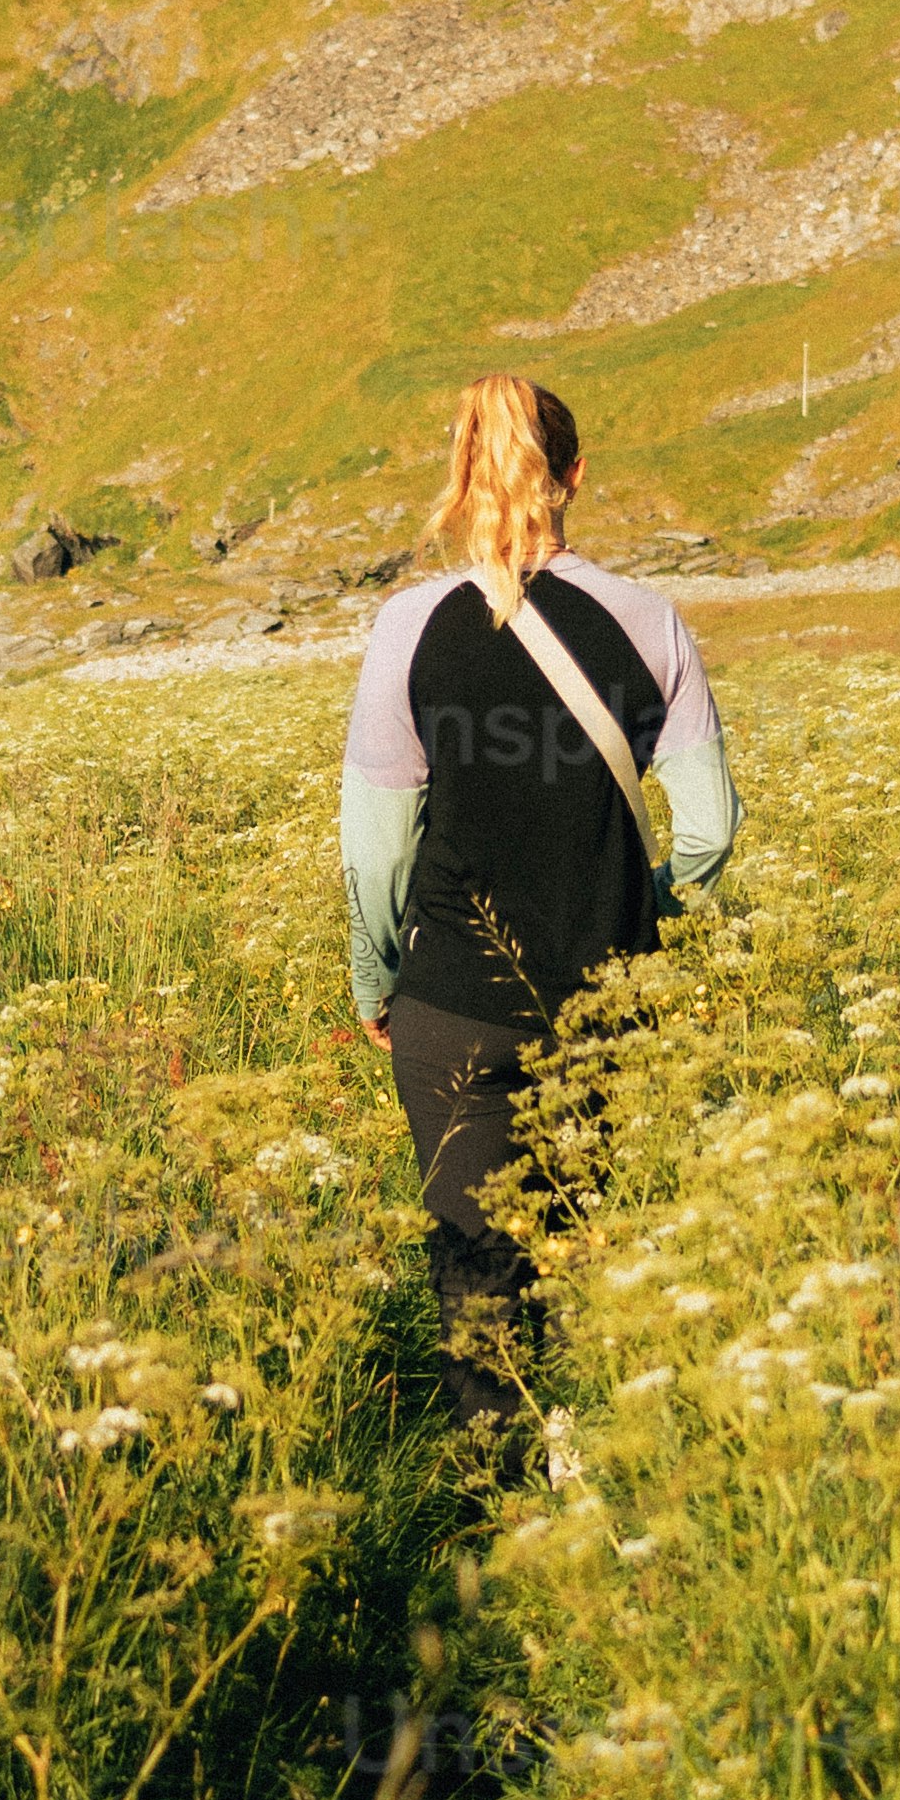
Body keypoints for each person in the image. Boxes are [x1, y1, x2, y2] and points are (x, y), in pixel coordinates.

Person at [340, 373, 738, 1454]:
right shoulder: (650, 621)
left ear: (463, 476)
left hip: (452, 1005)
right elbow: (708, 829)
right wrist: (643, 913)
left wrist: (377, 981)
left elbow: (376, 851)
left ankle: (498, 1491)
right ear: (575, 475)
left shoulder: (409, 626)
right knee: (584, 1252)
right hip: (607, 996)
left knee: (476, 1267)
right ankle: (591, 1468)